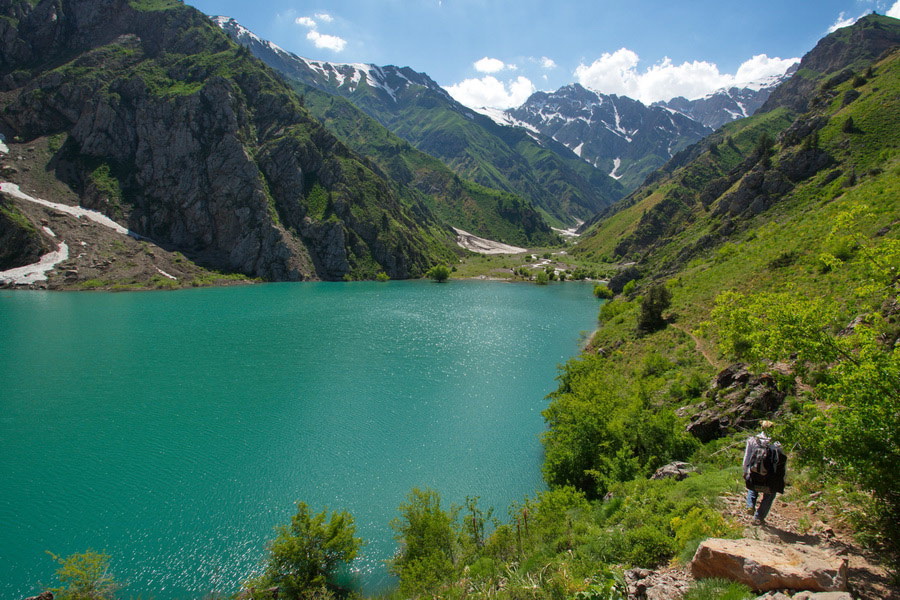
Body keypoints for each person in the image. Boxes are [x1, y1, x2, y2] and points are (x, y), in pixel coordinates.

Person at [742, 420, 786, 526]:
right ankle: (759, 517)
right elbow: (781, 462)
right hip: (770, 475)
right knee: (770, 495)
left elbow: (747, 458)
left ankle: (750, 505)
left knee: (752, 488)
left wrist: (745, 471)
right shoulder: (777, 443)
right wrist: (782, 478)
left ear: (762, 428)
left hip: (754, 472)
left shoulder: (753, 440)